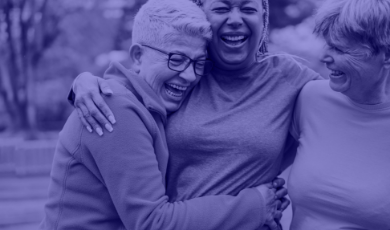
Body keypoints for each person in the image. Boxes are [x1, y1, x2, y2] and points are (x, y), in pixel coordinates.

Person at [69, 0, 321, 228]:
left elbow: (347, 105)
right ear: (204, 16)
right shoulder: (186, 75)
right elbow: (134, 84)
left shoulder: (291, 79)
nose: (235, 19)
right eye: (221, 8)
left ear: (263, 19)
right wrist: (84, 82)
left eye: (248, 8)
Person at [287, 0, 390, 229]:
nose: (325, 57)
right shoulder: (311, 98)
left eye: (340, 49)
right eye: (328, 45)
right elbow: (261, 161)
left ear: (386, 56)